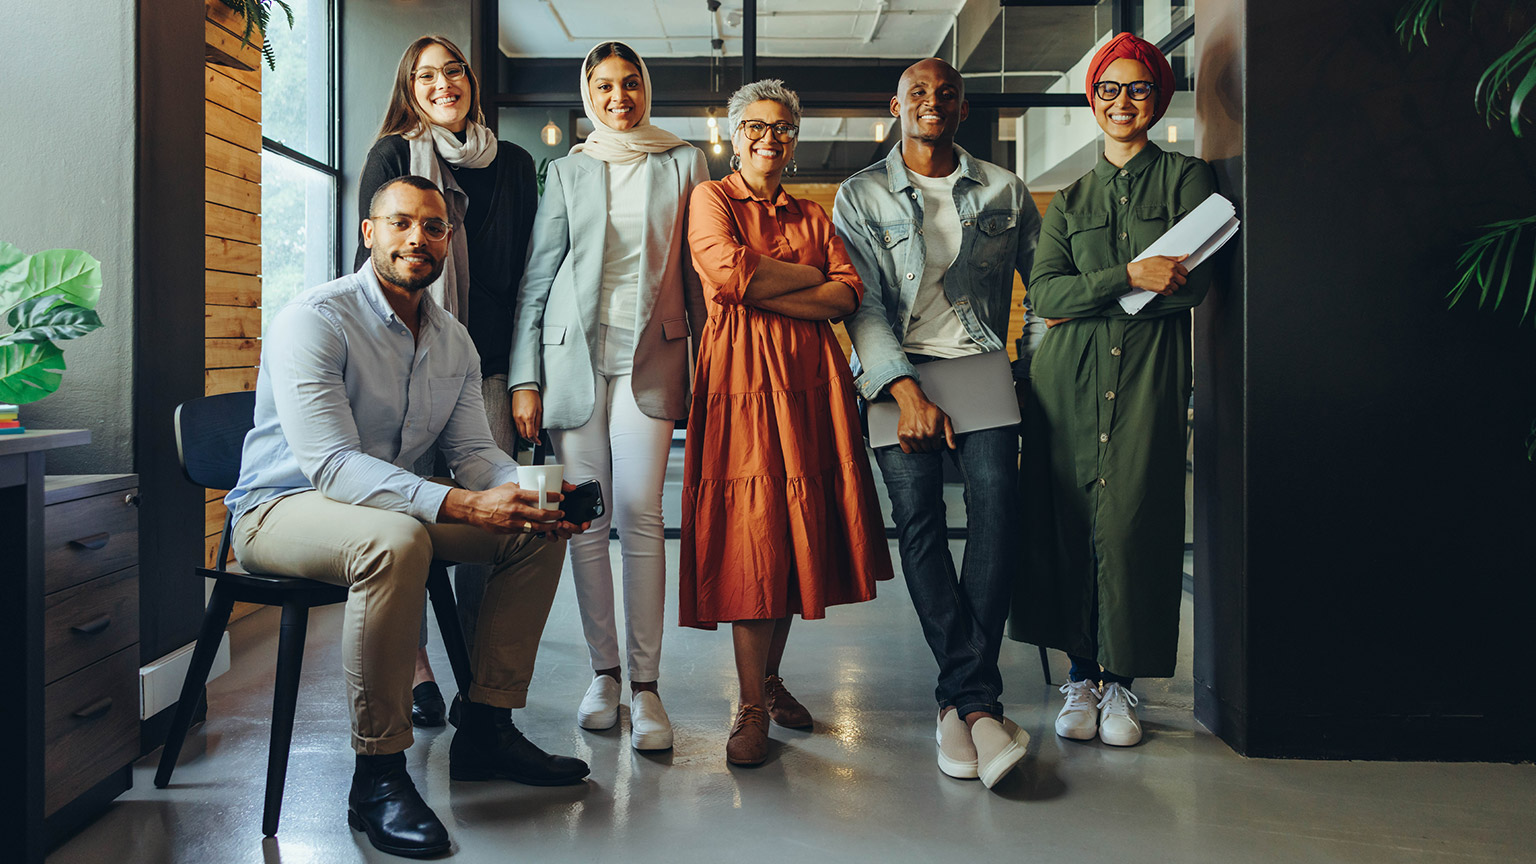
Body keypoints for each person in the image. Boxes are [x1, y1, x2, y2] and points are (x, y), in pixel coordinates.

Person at [226, 176, 591, 858]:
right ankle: (379, 774)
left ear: (448, 240)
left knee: (532, 532)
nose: (416, 238)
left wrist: (536, 491)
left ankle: (487, 725)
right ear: (370, 232)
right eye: (399, 223)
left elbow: (475, 454)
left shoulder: (453, 340)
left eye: (432, 226)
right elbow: (331, 465)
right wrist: (461, 502)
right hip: (280, 509)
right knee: (394, 542)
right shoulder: (317, 318)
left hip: (392, 505)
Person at [832, 58, 1041, 789]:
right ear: (896, 105)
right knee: (918, 517)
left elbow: (1040, 286)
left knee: (997, 511)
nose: (933, 101)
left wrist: (1034, 375)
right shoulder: (860, 194)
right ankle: (979, 704)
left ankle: (964, 703)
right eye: (918, 92)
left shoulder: (1005, 189)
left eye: (946, 93)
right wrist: (902, 387)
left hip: (982, 365)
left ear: (962, 108)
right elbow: (860, 304)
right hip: (899, 370)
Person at [1011, 33, 1216, 748]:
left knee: (1135, 522)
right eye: (1108, 89)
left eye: (1137, 89)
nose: (1121, 102)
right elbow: (1046, 296)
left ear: (1157, 99)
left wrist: (1089, 293)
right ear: (1092, 99)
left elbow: (1193, 287)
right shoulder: (1068, 199)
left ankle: (1123, 680)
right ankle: (1080, 675)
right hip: (1065, 381)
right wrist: (1129, 276)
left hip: (1147, 377)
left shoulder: (1189, 180)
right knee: (1068, 524)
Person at [682, 79, 894, 767]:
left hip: (808, 385)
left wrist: (777, 285)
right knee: (753, 535)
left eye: (782, 128)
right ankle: (747, 707)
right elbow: (728, 274)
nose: (768, 138)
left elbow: (847, 293)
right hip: (741, 384)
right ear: (735, 133)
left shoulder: (812, 212)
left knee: (792, 529)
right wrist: (804, 284)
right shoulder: (709, 198)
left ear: (793, 140)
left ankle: (769, 683)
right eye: (755, 126)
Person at [509, 40, 707, 751]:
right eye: (604, 85)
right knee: (587, 518)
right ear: (588, 92)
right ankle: (606, 674)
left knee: (640, 511)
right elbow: (539, 276)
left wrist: (708, 365)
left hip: (651, 357)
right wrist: (524, 376)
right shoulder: (566, 170)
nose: (619, 96)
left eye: (629, 83)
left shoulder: (682, 161)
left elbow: (696, 272)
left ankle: (649, 688)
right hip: (573, 361)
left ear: (646, 88)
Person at [356, 34, 539, 728]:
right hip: (403, 358)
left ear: (471, 80)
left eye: (453, 70)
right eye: (425, 75)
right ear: (410, 87)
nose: (442, 84)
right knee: (405, 515)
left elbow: (527, 275)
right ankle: (418, 669)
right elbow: (372, 260)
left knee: (488, 520)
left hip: (483, 362)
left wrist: (526, 376)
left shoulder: (515, 163)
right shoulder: (395, 155)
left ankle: (478, 678)